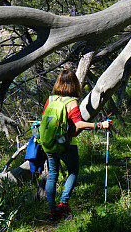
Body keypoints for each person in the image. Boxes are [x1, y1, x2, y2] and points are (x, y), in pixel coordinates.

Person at [42, 67, 111, 220]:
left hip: (48, 143)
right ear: (74, 84)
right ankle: (63, 203)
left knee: (53, 173)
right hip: (66, 143)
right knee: (73, 171)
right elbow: (79, 124)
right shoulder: (71, 102)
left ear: (59, 82)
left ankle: (53, 210)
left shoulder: (51, 99)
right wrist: (100, 125)